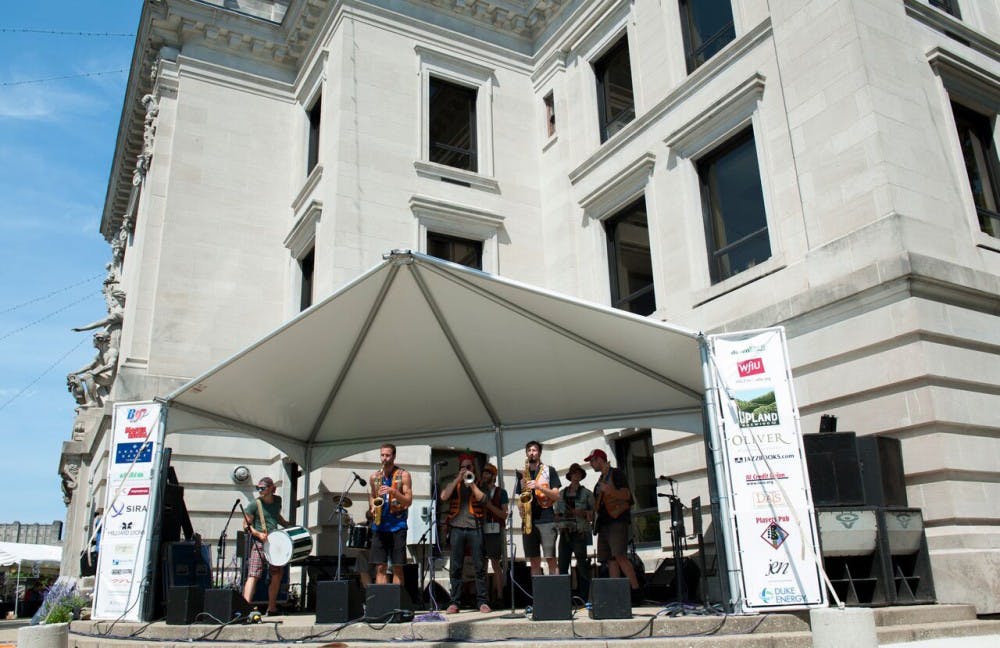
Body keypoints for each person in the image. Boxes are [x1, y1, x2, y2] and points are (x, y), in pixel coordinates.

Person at [584, 449, 640, 601]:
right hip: (603, 523)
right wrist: (592, 513)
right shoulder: (600, 479)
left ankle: (636, 593)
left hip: (617, 521)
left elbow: (627, 496)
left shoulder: (615, 474)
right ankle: (617, 595)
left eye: (592, 460)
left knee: (620, 556)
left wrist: (610, 490)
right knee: (610, 560)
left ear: (600, 459)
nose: (591, 464)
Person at [440, 454, 491, 613]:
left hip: (475, 528)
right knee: (456, 566)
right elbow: (443, 497)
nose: (466, 469)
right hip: (456, 528)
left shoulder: (480, 483)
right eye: (463, 467)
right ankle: (455, 601)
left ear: (473, 468)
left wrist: (472, 483)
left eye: (468, 467)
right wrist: (457, 479)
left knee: (479, 566)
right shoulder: (454, 484)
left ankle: (482, 601)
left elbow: (483, 500)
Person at [242, 476, 290, 615]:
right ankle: (245, 607)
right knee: (254, 574)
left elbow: (276, 516)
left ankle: (272, 607)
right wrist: (258, 534)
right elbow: (246, 525)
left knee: (277, 574)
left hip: (275, 544)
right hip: (260, 542)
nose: (260, 491)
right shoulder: (254, 505)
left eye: (262, 488)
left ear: (271, 489)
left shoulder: (278, 501)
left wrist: (286, 524)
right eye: (258, 488)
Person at [514, 440, 561, 576]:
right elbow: (520, 498)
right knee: (534, 561)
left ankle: (555, 594)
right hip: (528, 521)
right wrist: (521, 508)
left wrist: (539, 487)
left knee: (550, 559)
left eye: (534, 450)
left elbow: (557, 495)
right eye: (529, 450)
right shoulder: (523, 475)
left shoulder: (549, 470)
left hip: (546, 519)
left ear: (539, 453)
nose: (531, 453)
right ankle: (537, 596)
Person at [369, 443, 413, 586]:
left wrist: (393, 492)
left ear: (393, 456)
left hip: (397, 526)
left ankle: (396, 604)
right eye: (382, 455)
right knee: (380, 566)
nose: (384, 458)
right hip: (379, 526)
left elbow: (408, 500)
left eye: (387, 455)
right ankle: (382, 604)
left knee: (397, 567)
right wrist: (372, 506)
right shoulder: (375, 476)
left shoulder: (404, 475)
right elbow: (372, 495)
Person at [554, 463, 594, 602]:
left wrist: (582, 512)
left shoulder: (587, 493)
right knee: (563, 565)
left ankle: (584, 598)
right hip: (565, 533)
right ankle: (564, 599)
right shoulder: (561, 494)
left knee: (582, 566)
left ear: (581, 476)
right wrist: (561, 516)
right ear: (570, 476)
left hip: (579, 532)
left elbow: (594, 514)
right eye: (573, 473)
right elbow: (556, 514)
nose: (575, 476)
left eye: (578, 473)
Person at [479, 463, 508, 605]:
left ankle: (500, 595)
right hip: (481, 529)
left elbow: (504, 514)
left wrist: (489, 506)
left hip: (496, 530)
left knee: (495, 563)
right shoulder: (479, 490)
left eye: (488, 473)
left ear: (494, 475)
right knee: (481, 563)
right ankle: (484, 597)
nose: (485, 475)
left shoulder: (501, 492)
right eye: (484, 472)